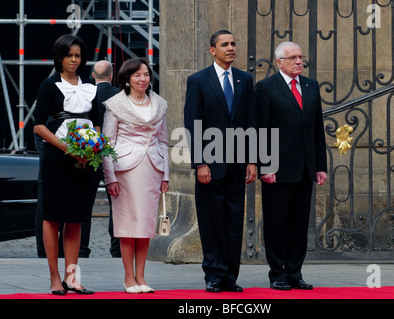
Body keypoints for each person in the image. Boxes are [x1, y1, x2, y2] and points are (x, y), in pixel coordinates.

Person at [184, 30, 257, 293]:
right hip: (210, 166)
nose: (231, 48)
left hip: (238, 164)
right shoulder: (198, 81)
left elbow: (251, 121)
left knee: (234, 220)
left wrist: (252, 160)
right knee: (211, 221)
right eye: (224, 44)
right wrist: (199, 163)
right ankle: (213, 275)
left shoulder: (245, 80)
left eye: (233, 44)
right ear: (213, 50)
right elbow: (192, 124)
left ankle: (230, 276)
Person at [255, 41, 327, 291]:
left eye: (301, 57)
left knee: (299, 223)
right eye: (293, 57)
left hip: (305, 167)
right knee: (277, 223)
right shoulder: (266, 88)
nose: (299, 61)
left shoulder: (311, 86)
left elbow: (317, 128)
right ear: (280, 63)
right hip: (277, 169)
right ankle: (277, 273)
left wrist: (320, 165)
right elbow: (260, 130)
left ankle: (295, 272)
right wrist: (265, 165)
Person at [34, 34, 98, 295]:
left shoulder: (90, 86)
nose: (74, 60)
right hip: (57, 158)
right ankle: (54, 278)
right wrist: (68, 148)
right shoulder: (49, 86)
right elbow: (38, 125)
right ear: (59, 57)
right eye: (69, 55)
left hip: (84, 159)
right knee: (52, 218)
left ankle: (73, 278)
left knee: (76, 219)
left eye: (78, 55)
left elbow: (96, 122)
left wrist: (92, 150)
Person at [102, 58, 169, 294]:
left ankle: (141, 277)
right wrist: (109, 177)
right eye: (137, 75)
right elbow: (107, 143)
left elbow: (164, 142)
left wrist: (165, 175)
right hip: (125, 169)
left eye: (146, 74)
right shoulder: (115, 105)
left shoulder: (159, 104)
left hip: (152, 167)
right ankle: (128, 278)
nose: (143, 79)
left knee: (146, 226)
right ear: (127, 79)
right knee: (128, 226)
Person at [91, 60, 121, 258]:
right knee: (117, 204)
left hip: (89, 155)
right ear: (112, 76)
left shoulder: (87, 95)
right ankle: (116, 248)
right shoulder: (121, 96)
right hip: (115, 156)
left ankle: (81, 249)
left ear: (93, 76)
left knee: (84, 203)